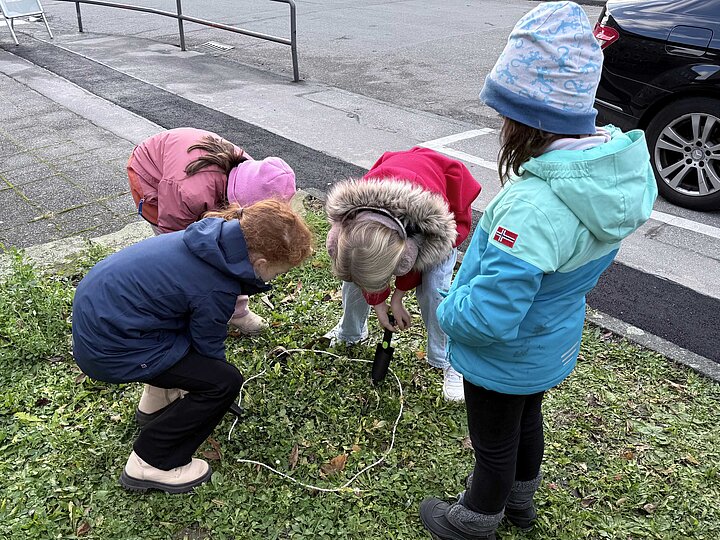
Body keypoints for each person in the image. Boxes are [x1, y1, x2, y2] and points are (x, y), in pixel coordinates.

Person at [418, 2, 658, 538]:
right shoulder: (604, 178)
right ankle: (521, 505)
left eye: (505, 115)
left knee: (493, 442)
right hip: (550, 338)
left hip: (505, 350)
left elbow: (491, 314)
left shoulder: (532, 208)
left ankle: (476, 519)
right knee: (526, 422)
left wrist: (449, 309)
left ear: (525, 119)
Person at [71, 199, 313, 494]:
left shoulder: (211, 241)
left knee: (189, 352)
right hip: (112, 347)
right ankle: (151, 461)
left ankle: (156, 404)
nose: (276, 278)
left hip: (108, 325)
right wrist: (212, 391)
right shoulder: (216, 285)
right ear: (261, 264)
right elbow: (208, 349)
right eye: (279, 272)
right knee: (222, 382)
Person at [324, 146, 482, 401]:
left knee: (434, 290)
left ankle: (449, 358)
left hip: (438, 226)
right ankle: (351, 331)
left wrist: (397, 297)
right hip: (396, 209)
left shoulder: (426, 232)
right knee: (356, 274)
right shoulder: (352, 225)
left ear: (404, 258)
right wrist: (378, 304)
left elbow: (417, 259)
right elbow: (366, 267)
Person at [127, 127, 296, 336]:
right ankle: (183, 312)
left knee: (231, 247)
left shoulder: (257, 174)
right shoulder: (188, 192)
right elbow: (174, 245)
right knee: (189, 260)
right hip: (151, 176)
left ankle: (237, 312)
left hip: (191, 176)